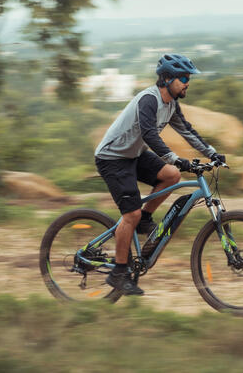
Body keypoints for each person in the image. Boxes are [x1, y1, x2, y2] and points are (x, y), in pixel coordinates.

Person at [94, 54, 226, 295]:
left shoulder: (172, 104)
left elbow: (187, 131)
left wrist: (213, 153)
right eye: (184, 78)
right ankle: (119, 273)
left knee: (171, 176)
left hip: (133, 154)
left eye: (189, 78)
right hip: (112, 158)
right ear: (166, 79)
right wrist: (176, 158)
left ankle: (144, 219)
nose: (188, 82)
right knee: (130, 214)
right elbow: (149, 135)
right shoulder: (149, 100)